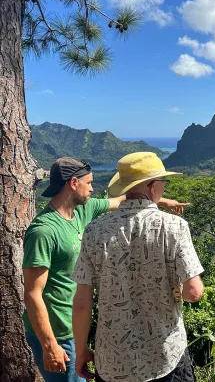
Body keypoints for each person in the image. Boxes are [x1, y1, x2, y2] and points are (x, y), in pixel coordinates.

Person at [23, 157, 189, 382]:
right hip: (57, 332)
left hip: (76, 325)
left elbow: (125, 200)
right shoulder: (43, 231)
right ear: (73, 183)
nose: (93, 188)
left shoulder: (82, 211)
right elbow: (32, 293)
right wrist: (49, 345)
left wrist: (163, 200)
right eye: (89, 183)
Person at [71, 152, 204, 382]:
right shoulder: (174, 227)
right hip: (165, 357)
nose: (163, 188)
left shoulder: (94, 231)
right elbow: (193, 293)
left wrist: (81, 350)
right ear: (152, 187)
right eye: (163, 182)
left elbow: (82, 302)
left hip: (113, 362)